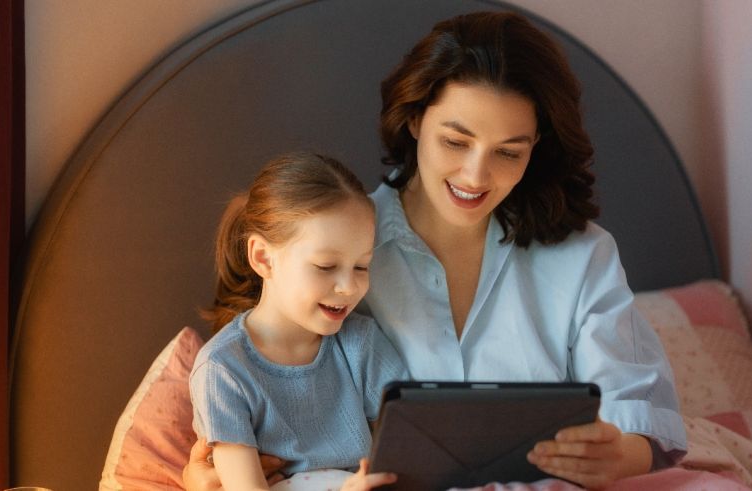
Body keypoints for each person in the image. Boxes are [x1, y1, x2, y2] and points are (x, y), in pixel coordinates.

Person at [185, 11, 687, 490]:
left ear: (538, 148)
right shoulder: (336, 245)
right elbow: (260, 379)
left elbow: (640, 419)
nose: (475, 176)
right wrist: (209, 476)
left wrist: (617, 453)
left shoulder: (582, 256)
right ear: (415, 121)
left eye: (509, 152)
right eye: (455, 141)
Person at [189, 152, 407, 491]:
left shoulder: (361, 342)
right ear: (264, 258)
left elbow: (407, 450)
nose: (349, 287)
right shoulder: (223, 370)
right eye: (325, 266)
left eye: (361, 266)